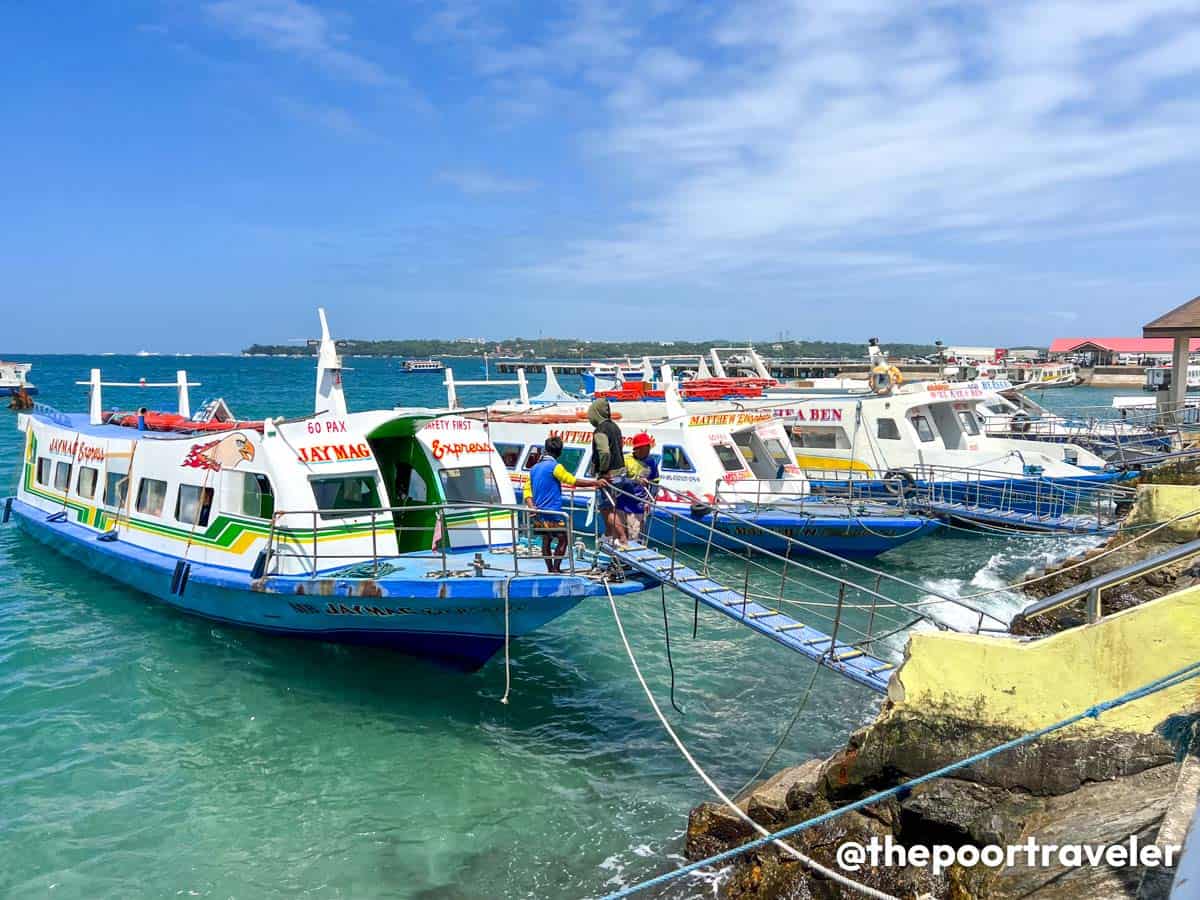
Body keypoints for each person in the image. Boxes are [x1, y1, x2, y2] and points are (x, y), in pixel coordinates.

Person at [523, 436, 599, 573]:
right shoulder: (556, 467)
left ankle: (550, 569)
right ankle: (556, 568)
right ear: (559, 452)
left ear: (545, 450)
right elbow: (572, 481)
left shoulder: (534, 468)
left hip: (539, 512)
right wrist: (595, 483)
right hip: (553, 512)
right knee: (564, 539)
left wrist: (531, 506)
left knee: (546, 540)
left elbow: (527, 489)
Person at [587, 398, 627, 544]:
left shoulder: (600, 430)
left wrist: (602, 471)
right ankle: (610, 534)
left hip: (609, 475)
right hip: (621, 472)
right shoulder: (615, 427)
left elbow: (604, 452)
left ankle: (622, 538)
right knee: (613, 506)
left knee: (606, 508)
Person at [616, 432, 660, 542]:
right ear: (638, 449)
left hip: (638, 506)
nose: (649, 449)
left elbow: (655, 482)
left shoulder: (651, 462)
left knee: (635, 537)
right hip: (622, 503)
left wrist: (650, 500)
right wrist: (635, 481)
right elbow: (617, 480)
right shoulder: (625, 460)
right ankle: (617, 557)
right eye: (647, 447)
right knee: (620, 535)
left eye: (649, 447)